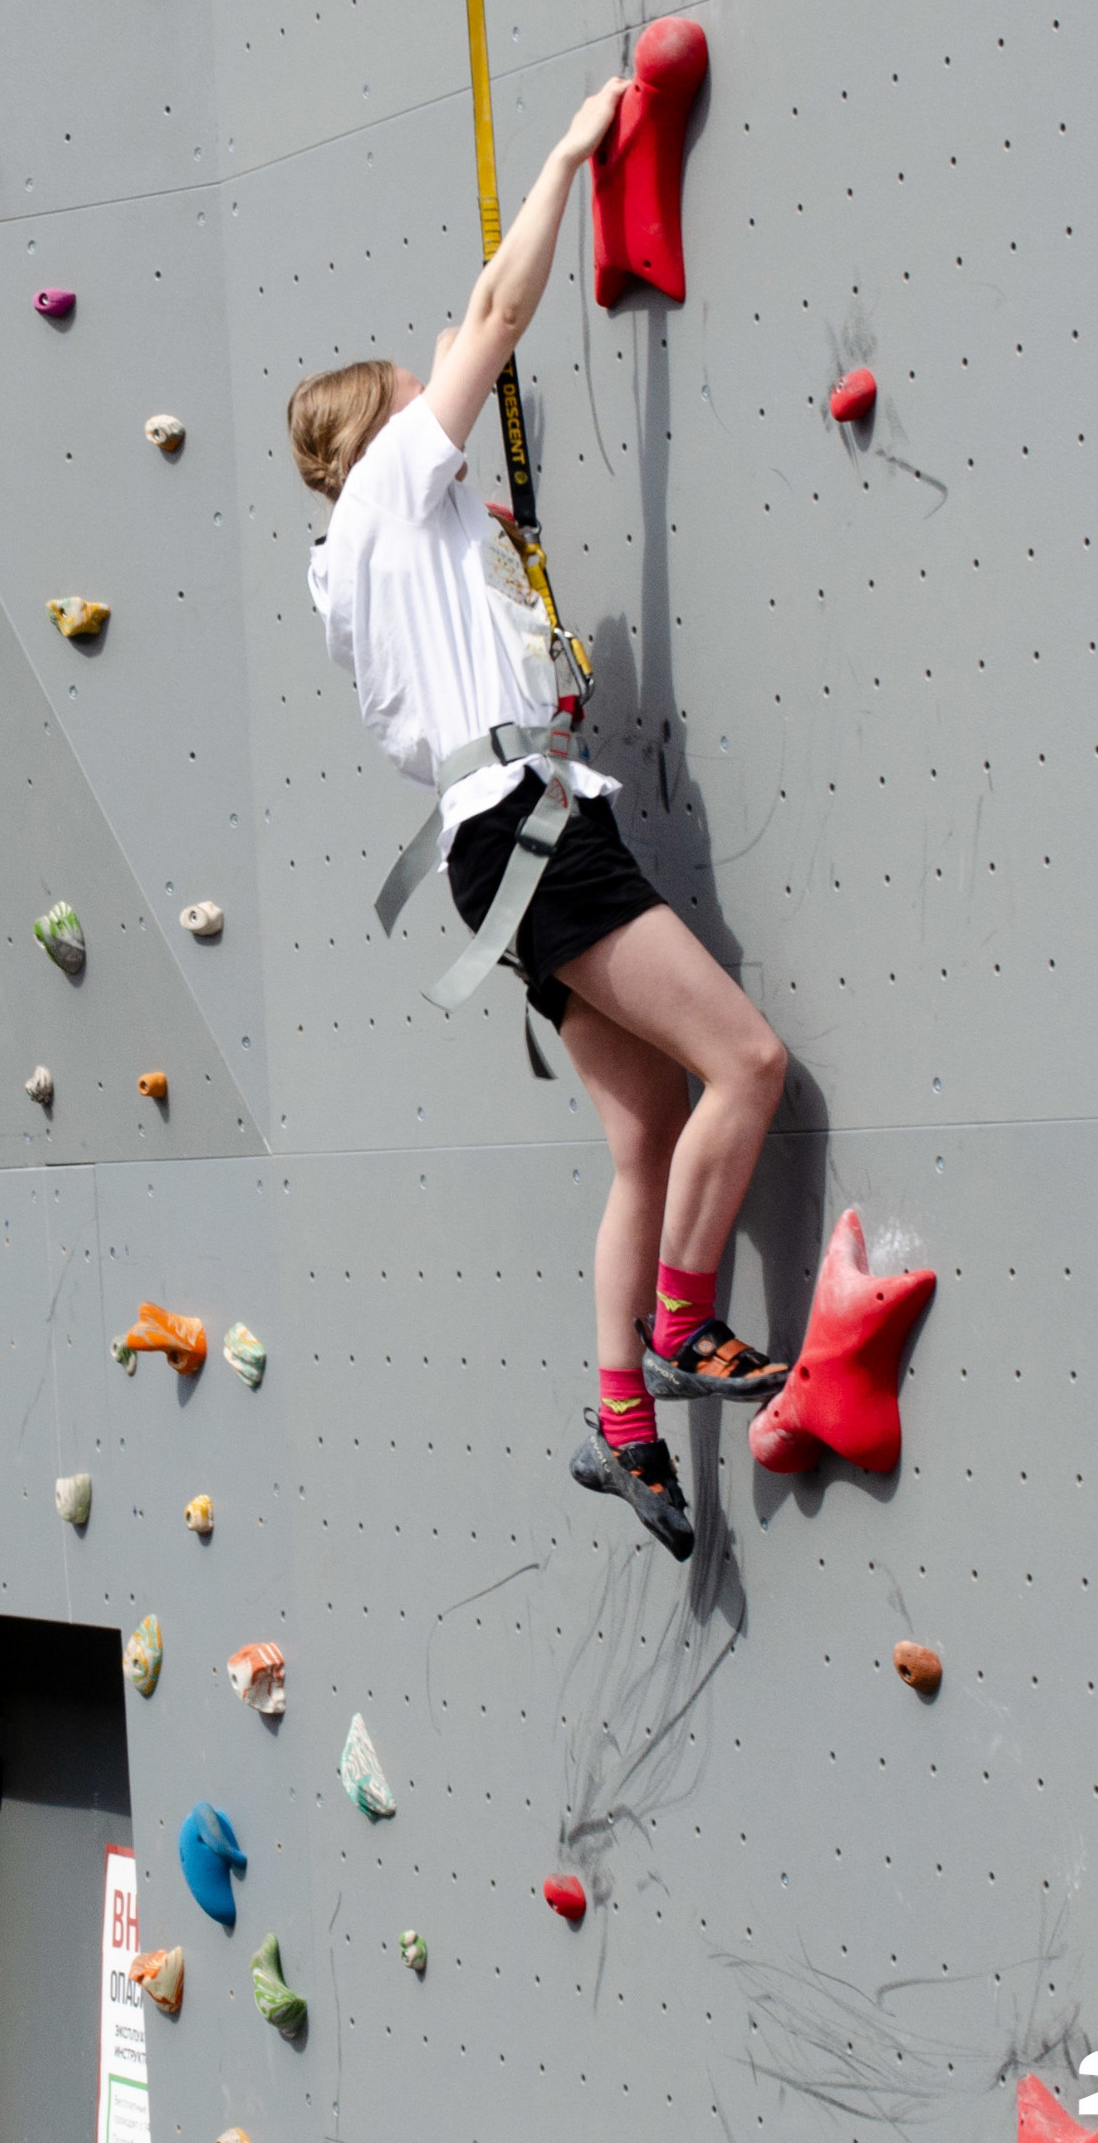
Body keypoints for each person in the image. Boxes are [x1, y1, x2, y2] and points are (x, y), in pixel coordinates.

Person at [288, 75, 792, 1563]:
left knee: (643, 1135)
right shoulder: (395, 481)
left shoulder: (352, 563)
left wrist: (458, 335)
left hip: (485, 842)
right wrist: (573, 152)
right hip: (527, 829)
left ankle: (621, 1421)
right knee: (746, 1065)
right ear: (385, 425)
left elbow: (469, 334)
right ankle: (687, 1324)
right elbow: (497, 323)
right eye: (415, 390)